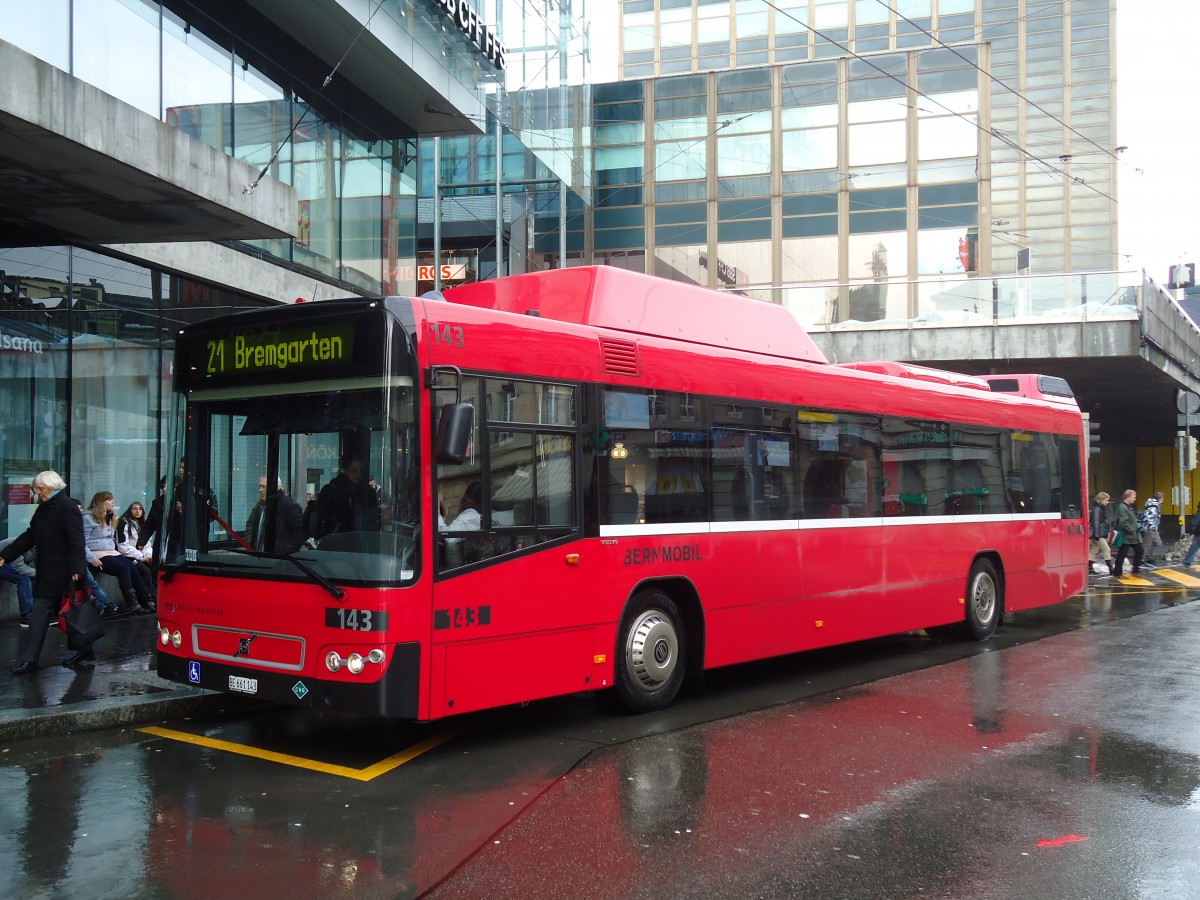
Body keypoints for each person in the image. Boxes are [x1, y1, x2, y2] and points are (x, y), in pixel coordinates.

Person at [0, 471, 92, 673]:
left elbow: (77, 539)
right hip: (50, 571)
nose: (38, 492)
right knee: (58, 613)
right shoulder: (44, 507)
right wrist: (5, 555)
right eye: (37, 489)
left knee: (67, 613)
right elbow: (29, 535)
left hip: (66, 571)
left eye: (41, 488)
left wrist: (77, 568)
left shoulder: (67, 507)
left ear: (53, 486)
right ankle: (33, 659)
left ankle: (33, 659)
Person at [83, 492, 154, 615]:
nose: (112, 502)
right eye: (109, 500)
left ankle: (147, 599)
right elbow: (82, 542)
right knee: (123, 568)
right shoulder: (88, 518)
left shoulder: (109, 517)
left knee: (132, 567)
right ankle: (132, 603)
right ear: (101, 502)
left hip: (111, 551)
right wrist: (91, 558)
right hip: (97, 552)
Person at [314, 454, 377, 538]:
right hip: (336, 540)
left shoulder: (368, 492)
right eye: (354, 470)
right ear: (345, 470)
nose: (358, 475)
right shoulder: (331, 491)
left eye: (361, 470)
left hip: (357, 538)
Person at [245, 476, 306, 554]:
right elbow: (250, 526)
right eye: (260, 486)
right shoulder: (259, 506)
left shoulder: (289, 505)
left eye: (264, 487)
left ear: (275, 488)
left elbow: (299, 534)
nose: (261, 490)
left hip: (279, 558)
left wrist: (284, 552)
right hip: (259, 555)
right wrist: (251, 545)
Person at [116, 500, 157, 605]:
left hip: (141, 554)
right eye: (134, 509)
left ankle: (154, 597)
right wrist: (141, 556)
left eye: (140, 509)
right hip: (127, 555)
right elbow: (123, 546)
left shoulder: (144, 524)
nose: (137, 511)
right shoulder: (124, 523)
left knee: (154, 569)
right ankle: (147, 599)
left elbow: (147, 543)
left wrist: (148, 555)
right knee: (144, 571)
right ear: (130, 510)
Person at [0, 535, 35, 627]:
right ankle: (27, 618)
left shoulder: (38, 548)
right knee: (24, 579)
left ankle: (37, 613)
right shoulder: (19, 543)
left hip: (7, 563)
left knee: (33, 577)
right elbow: (19, 567)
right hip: (2, 563)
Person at [1112, 488, 1144, 576]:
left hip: (1131, 536)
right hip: (1128, 536)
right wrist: (1133, 530)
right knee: (1123, 554)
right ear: (1128, 497)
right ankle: (1118, 572)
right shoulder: (1123, 507)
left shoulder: (1127, 507)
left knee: (1138, 551)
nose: (1135, 499)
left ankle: (1134, 570)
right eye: (1133, 497)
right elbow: (1124, 522)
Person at [1088, 491, 1114, 576]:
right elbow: (1095, 522)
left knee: (1094, 550)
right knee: (1107, 549)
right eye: (1106, 500)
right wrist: (1096, 534)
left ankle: (1089, 567)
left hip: (1097, 533)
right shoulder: (1098, 509)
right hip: (1098, 534)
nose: (1107, 502)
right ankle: (1111, 568)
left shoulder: (1097, 508)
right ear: (1100, 500)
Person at [1139, 491, 1165, 563]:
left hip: (1153, 527)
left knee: (1157, 542)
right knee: (1147, 544)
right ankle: (1142, 558)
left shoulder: (1154, 505)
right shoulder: (1153, 506)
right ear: (1161, 498)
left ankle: (1149, 556)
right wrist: (1151, 526)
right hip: (1150, 527)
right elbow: (1149, 516)